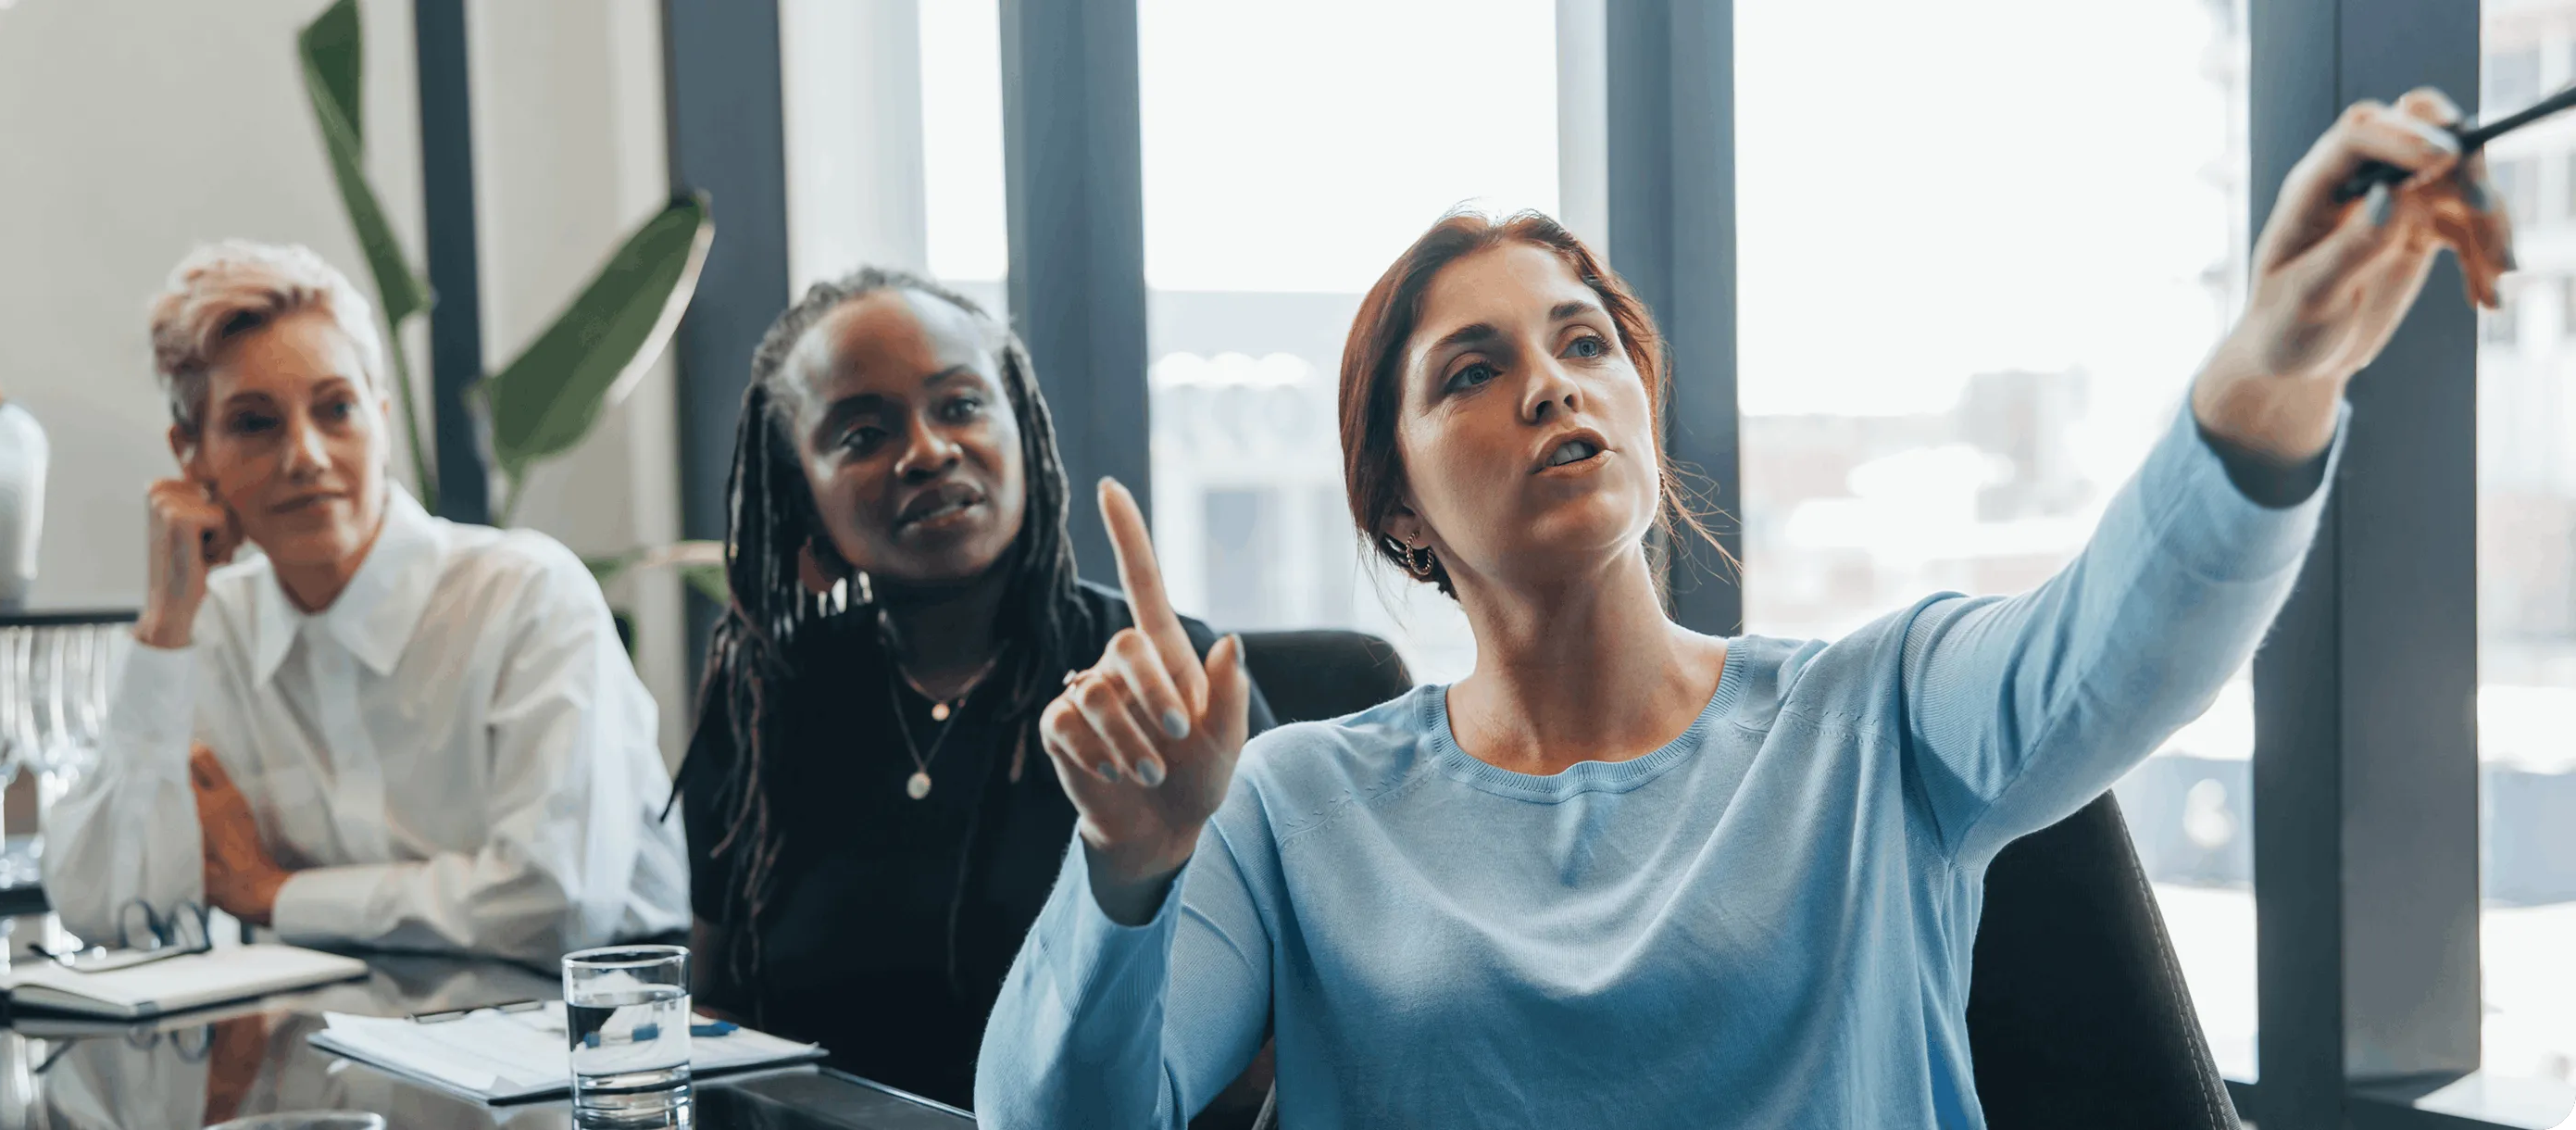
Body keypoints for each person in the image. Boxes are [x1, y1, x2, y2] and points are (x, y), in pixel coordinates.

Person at [976, 90, 2512, 1127]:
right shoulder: (1301, 803)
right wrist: (1130, 866)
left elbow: (2116, 651)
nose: (1551, 384)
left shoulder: (1878, 714)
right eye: (1472, 371)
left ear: (1642, 404)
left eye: (1584, 342)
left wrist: (2276, 368)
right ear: (1399, 511)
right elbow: (1062, 1116)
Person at [670, 267, 1274, 1109]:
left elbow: (1267, 1048)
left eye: (959, 405)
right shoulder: (768, 698)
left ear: (1020, 427)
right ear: (802, 499)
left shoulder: (1155, 692)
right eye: (861, 434)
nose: (926, 451)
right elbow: (718, 1008)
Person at [43, 241, 687, 968]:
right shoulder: (213, 628)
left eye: (336, 409)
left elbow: (558, 905)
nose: (306, 456)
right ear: (191, 456)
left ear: (380, 419)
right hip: (343, 1045)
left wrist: (275, 895)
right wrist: (164, 629)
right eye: (256, 423)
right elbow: (102, 908)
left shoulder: (528, 597)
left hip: (603, 1047)